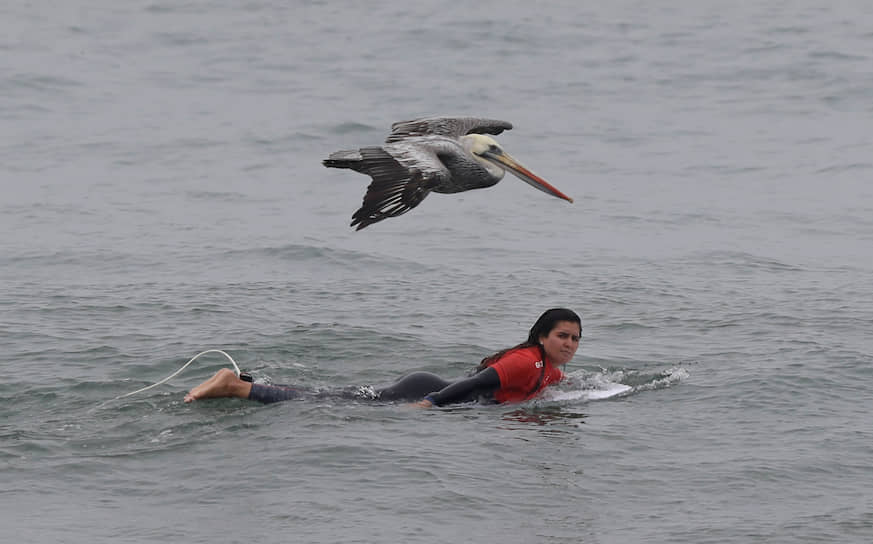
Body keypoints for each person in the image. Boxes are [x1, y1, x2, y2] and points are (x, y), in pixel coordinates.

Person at [183, 308, 581, 407]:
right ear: (541, 337)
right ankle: (234, 387)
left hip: (429, 390)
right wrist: (427, 404)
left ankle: (246, 383)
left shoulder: (548, 369)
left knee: (329, 396)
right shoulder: (525, 361)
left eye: (575, 339)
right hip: (423, 391)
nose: (569, 344)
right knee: (325, 402)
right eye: (562, 336)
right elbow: (475, 384)